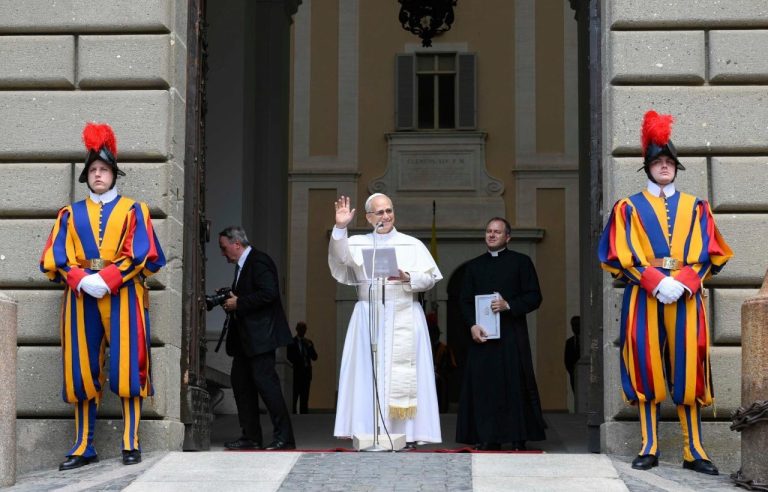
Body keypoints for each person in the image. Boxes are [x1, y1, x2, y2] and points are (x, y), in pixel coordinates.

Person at [598, 110, 732, 475]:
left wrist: (684, 282)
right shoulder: (627, 207)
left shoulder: (697, 206)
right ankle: (650, 445)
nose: (664, 166)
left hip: (686, 297)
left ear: (676, 168)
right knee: (645, 366)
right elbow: (617, 255)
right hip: (644, 296)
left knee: (690, 370)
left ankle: (695, 451)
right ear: (648, 167)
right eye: (657, 161)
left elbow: (713, 254)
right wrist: (657, 281)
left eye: (669, 162)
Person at [40, 122, 166, 470]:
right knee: (80, 370)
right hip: (81, 296)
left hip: (123, 292)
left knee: (127, 366)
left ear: (113, 174)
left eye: (104, 169)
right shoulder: (70, 213)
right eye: (93, 170)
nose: (98, 175)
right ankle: (83, 445)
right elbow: (57, 257)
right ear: (86, 176)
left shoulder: (133, 210)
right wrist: (81, 279)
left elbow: (142, 253)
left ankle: (130, 440)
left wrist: (109, 278)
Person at [329, 193, 443, 446]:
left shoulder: (412, 244)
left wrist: (408, 276)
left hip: (404, 311)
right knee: (366, 372)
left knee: (405, 375)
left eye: (389, 210)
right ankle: (367, 430)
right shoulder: (358, 242)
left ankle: (409, 434)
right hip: (368, 315)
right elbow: (340, 258)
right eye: (379, 213)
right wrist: (340, 227)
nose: (386, 216)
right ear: (369, 218)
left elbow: (430, 279)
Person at [456, 217, 546, 451]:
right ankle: (487, 436)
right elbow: (464, 301)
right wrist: (472, 325)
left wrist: (509, 305)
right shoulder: (473, 267)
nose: (492, 235)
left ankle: (518, 437)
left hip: (511, 336)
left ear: (508, 237)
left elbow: (534, 296)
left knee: (515, 385)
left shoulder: (521, 262)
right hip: (482, 338)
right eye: (488, 231)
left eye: (497, 232)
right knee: (484, 387)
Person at [218, 226, 296, 450]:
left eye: (224, 248)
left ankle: (285, 438)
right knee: (242, 387)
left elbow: (269, 293)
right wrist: (232, 299)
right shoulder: (243, 265)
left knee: (268, 387)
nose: (223, 254)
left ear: (237, 244)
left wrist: (238, 302)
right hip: (244, 341)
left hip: (261, 339)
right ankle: (251, 437)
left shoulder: (259, 261)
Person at [427, 313, 457, 413]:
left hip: (440, 377)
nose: (433, 336)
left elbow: (451, 365)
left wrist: (439, 372)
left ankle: (442, 409)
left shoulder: (444, 348)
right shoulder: (425, 348)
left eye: (435, 333)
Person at [287, 321, 318, 414]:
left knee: (305, 397)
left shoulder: (308, 342)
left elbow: (315, 357)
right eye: (300, 329)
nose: (302, 331)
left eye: (304, 329)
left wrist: (310, 347)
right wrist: (299, 359)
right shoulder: (291, 342)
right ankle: (293, 414)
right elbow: (289, 356)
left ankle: (304, 415)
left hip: (306, 374)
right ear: (297, 330)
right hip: (296, 373)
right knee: (294, 396)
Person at [564, 315, 580, 394]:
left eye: (577, 325)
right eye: (573, 325)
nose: (575, 327)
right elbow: (567, 360)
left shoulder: (586, 341)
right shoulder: (569, 342)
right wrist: (571, 372)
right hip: (573, 376)